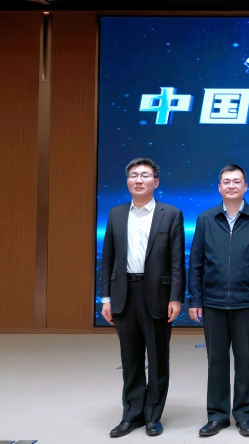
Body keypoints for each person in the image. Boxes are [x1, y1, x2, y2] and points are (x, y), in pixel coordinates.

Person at [100, 158, 185, 437]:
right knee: (131, 357)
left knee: (158, 357)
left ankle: (153, 415)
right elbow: (108, 260)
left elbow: (176, 261)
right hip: (124, 293)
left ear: (155, 182)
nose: (138, 180)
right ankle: (132, 414)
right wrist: (106, 298)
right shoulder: (115, 214)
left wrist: (176, 298)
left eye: (145, 175)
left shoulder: (171, 214)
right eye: (133, 175)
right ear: (128, 181)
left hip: (158, 295)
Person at [187, 164, 249, 437]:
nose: (231, 185)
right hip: (213, 302)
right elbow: (196, 262)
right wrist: (195, 299)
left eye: (237, 181)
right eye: (226, 181)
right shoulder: (206, 219)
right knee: (216, 361)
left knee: (245, 361)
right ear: (219, 187)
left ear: (246, 186)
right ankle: (217, 415)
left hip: (247, 302)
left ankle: (244, 414)